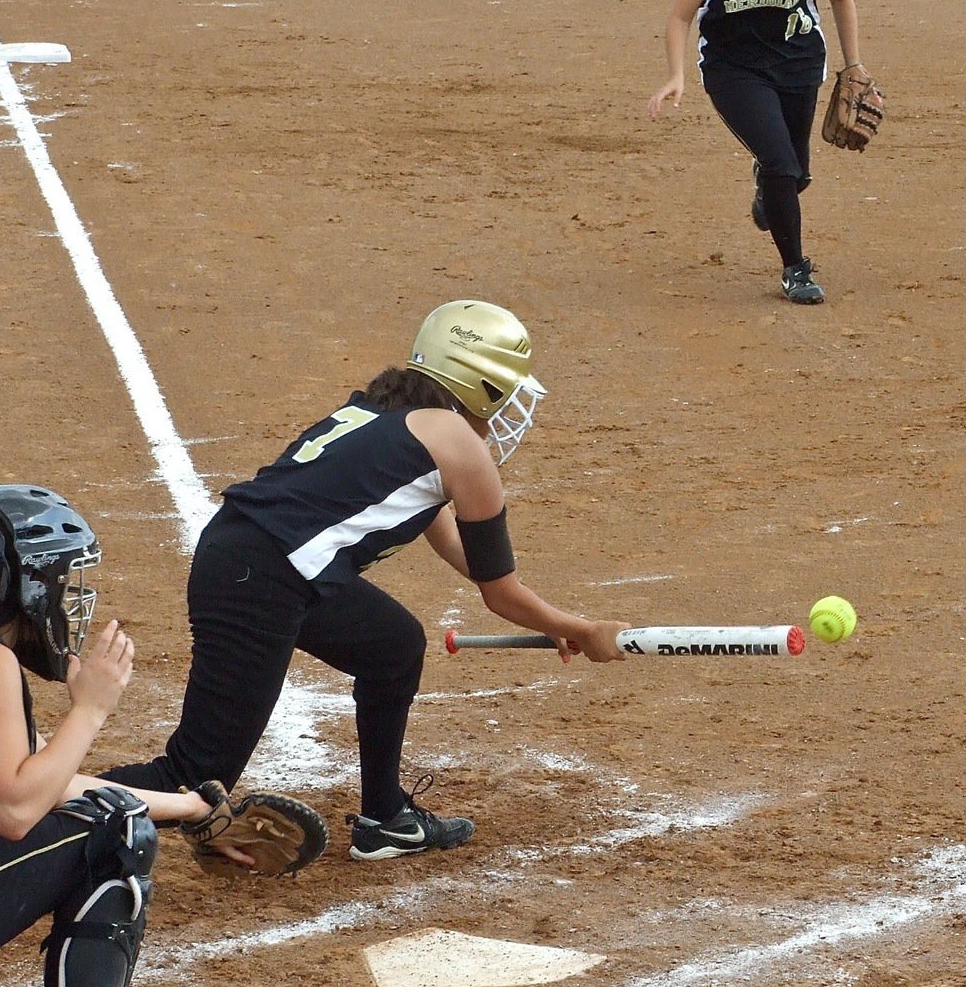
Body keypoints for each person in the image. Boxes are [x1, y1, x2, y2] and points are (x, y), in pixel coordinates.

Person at [99, 299, 630, 861]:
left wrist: (558, 625)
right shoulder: (461, 446)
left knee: (393, 646)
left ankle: (385, 817)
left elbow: (471, 560)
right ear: (483, 384)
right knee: (193, 771)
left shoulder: (390, 419)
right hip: (265, 578)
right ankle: (34, 807)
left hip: (255, 560)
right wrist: (584, 629)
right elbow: (499, 592)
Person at [0, 484, 253, 987]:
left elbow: (53, 782)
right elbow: (16, 810)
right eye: (60, 580)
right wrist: (89, 711)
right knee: (118, 831)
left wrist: (190, 808)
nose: (67, 596)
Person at [648, 0, 874, 305]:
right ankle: (796, 270)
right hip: (735, 71)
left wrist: (853, 64)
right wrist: (676, 75)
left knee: (797, 175)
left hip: (798, 67)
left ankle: (767, 186)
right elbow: (679, 16)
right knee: (781, 164)